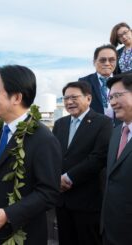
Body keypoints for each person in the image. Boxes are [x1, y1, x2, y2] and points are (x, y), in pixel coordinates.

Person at [0, 65, 62, 245]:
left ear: (17, 98)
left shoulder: (43, 139)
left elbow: (48, 193)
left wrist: (7, 215)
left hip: (23, 235)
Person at [53, 81, 112, 245]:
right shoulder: (60, 124)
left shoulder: (103, 122)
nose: (69, 102)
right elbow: (55, 155)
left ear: (88, 98)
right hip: (62, 200)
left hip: (88, 200)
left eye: (74, 97)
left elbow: (98, 157)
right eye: (65, 98)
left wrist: (68, 178)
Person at [101, 73, 132, 245]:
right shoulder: (116, 133)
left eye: (118, 96)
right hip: (110, 230)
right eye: (110, 97)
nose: (112, 102)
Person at [79, 44, 117, 120]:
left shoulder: (124, 81)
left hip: (120, 129)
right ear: (94, 62)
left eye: (111, 60)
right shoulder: (83, 82)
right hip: (95, 128)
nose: (107, 63)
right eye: (102, 60)